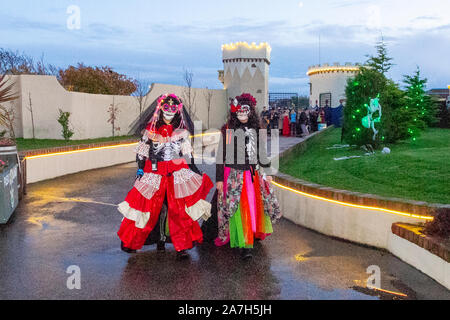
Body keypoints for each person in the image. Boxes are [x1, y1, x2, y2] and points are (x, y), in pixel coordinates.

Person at [117, 93, 214, 259]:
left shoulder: (181, 132)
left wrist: (196, 171)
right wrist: (140, 170)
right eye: (166, 107)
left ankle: (180, 246)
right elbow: (142, 154)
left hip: (176, 174)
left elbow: (187, 156)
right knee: (148, 207)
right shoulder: (150, 131)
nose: (169, 110)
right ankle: (139, 241)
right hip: (154, 174)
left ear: (177, 111)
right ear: (160, 109)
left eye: (173, 108)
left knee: (177, 210)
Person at [202, 93, 281, 260]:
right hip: (233, 175)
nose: (243, 115)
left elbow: (261, 154)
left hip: (252, 176)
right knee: (236, 208)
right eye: (239, 111)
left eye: (246, 111)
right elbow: (221, 156)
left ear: (251, 111)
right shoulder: (228, 130)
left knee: (252, 206)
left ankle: (248, 241)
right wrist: (219, 179)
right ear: (235, 112)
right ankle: (243, 243)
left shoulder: (257, 130)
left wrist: (267, 172)